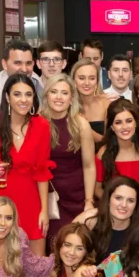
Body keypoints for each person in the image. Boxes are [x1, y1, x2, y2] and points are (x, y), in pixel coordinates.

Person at [0, 73, 53, 256]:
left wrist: (44, 210)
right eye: (17, 94)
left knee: (36, 261)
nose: (23, 100)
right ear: (7, 97)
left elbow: (42, 171)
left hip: (29, 198)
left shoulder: (42, 126)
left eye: (28, 95)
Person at [39, 73, 97, 248]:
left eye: (64, 93)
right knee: (56, 246)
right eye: (54, 92)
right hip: (49, 198)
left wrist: (89, 201)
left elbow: (89, 166)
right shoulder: (37, 123)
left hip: (77, 197)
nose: (58, 97)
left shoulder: (81, 124)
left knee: (78, 246)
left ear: (71, 98)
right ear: (46, 96)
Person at [73, 175, 139, 261]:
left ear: (137, 204)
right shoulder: (89, 219)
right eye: (118, 198)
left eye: (130, 200)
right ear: (108, 199)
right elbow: (65, 249)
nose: (124, 205)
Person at [0, 38, 42, 114]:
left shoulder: (36, 80)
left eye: (28, 63)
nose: (24, 69)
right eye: (18, 63)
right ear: (5, 64)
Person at [96, 99, 139, 188]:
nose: (124, 127)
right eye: (118, 123)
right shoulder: (103, 152)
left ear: (136, 123)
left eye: (129, 121)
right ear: (112, 127)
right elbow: (97, 189)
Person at [72, 57, 109, 145]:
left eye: (92, 78)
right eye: (81, 78)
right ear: (74, 82)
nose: (87, 83)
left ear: (97, 82)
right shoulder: (67, 106)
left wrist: (85, 127)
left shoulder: (106, 103)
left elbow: (109, 142)